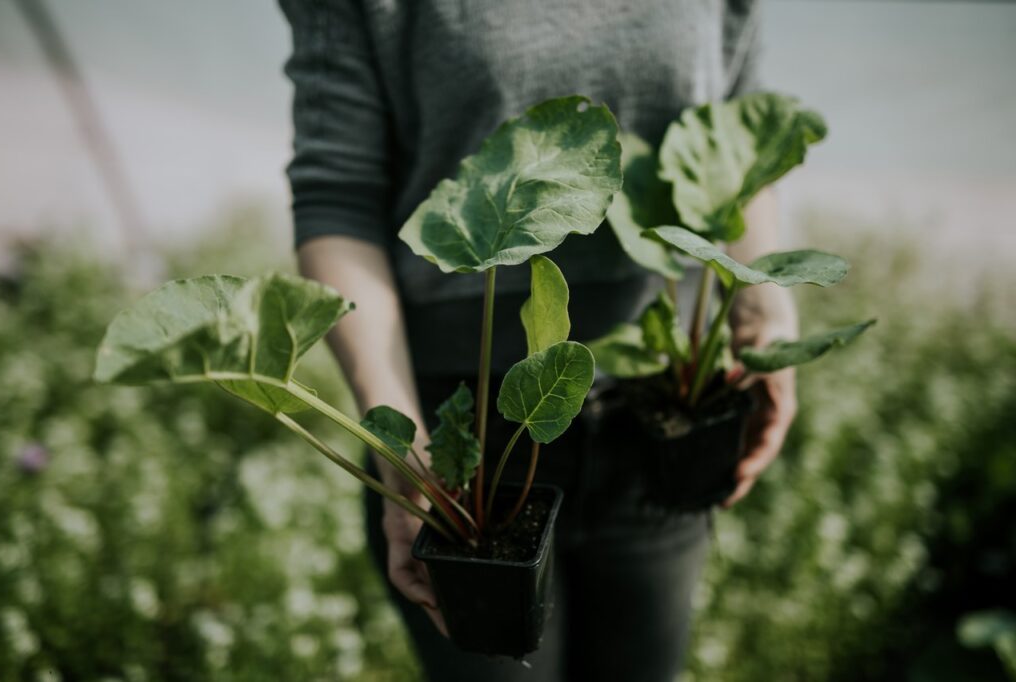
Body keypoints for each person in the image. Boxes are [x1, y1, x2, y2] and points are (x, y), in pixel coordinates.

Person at [278, 1, 797, 679]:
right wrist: (400, 446)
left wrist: (762, 305)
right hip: (455, 438)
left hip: (663, 414)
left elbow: (737, 135)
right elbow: (339, 191)